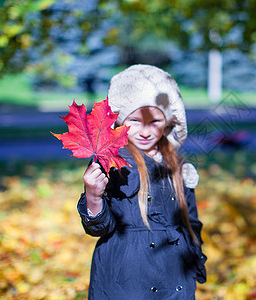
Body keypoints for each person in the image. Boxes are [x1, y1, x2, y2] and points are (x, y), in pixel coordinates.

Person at [77, 64, 207, 299]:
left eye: (154, 121)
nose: (145, 132)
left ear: (168, 123)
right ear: (118, 121)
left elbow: (192, 223)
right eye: (135, 120)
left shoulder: (178, 166)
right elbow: (100, 227)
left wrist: (194, 259)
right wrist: (93, 196)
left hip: (174, 279)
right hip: (127, 280)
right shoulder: (111, 161)